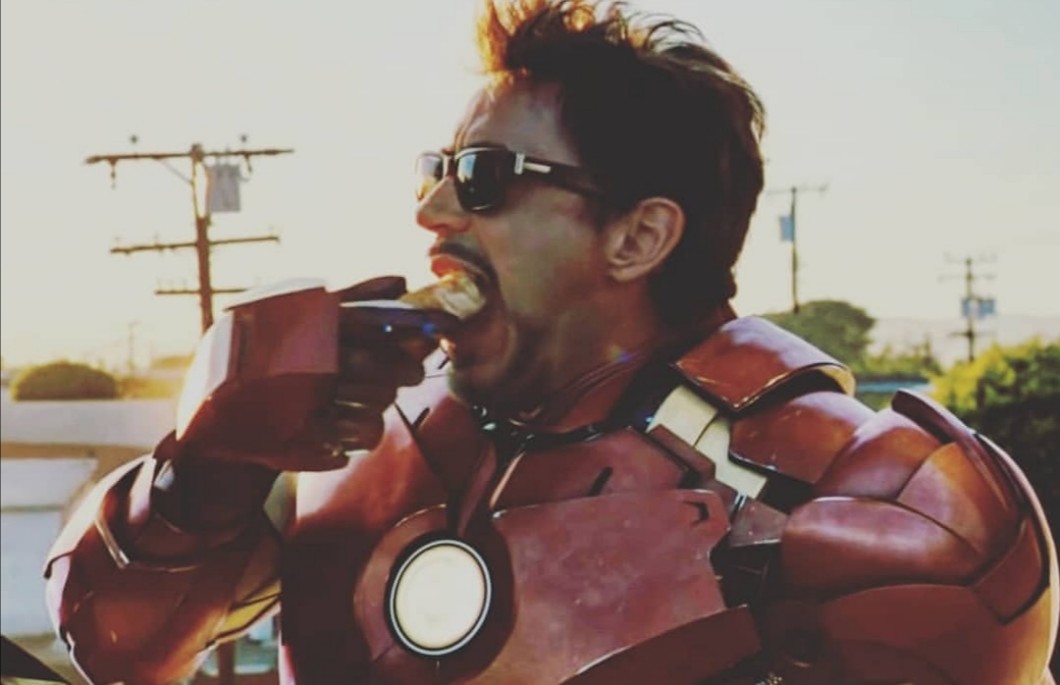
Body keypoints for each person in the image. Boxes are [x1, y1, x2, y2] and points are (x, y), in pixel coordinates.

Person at [44, 1, 1057, 683]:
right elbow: (114, 645)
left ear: (637, 238)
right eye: (435, 168)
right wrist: (205, 469)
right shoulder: (338, 440)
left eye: (484, 176)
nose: (433, 209)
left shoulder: (869, 496)